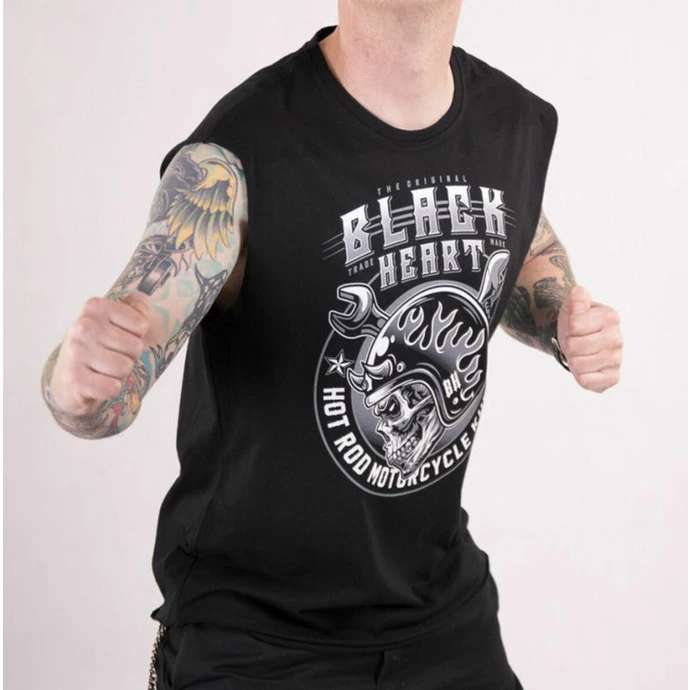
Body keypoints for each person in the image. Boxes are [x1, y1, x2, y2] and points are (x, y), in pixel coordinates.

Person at [40, 1, 624, 688]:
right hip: (260, 643)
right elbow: (129, 349)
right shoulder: (234, 158)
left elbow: (519, 239)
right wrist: (81, 384)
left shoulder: (512, 122)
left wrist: (563, 321)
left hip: (443, 617)